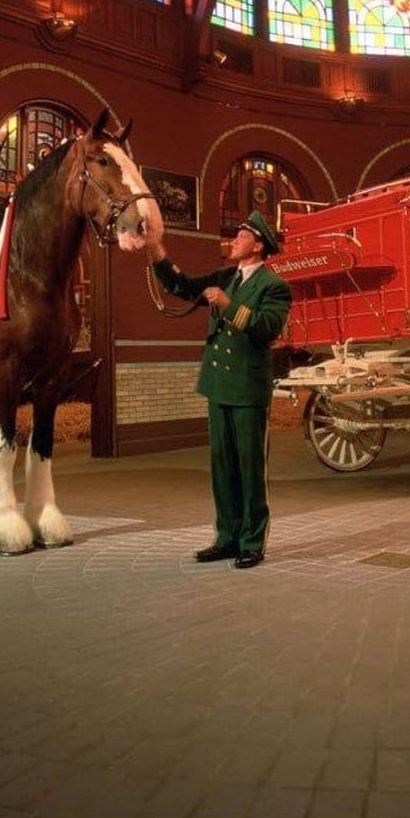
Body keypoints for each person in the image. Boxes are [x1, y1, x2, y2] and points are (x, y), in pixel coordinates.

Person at [148, 211, 292, 569]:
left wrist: (227, 305)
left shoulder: (274, 286)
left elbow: (264, 329)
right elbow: (183, 287)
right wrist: (157, 253)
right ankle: (226, 538)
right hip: (219, 385)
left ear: (258, 246)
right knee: (222, 466)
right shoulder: (227, 276)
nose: (234, 240)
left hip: (247, 387)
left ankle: (252, 542)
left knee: (248, 467)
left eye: (241, 235)